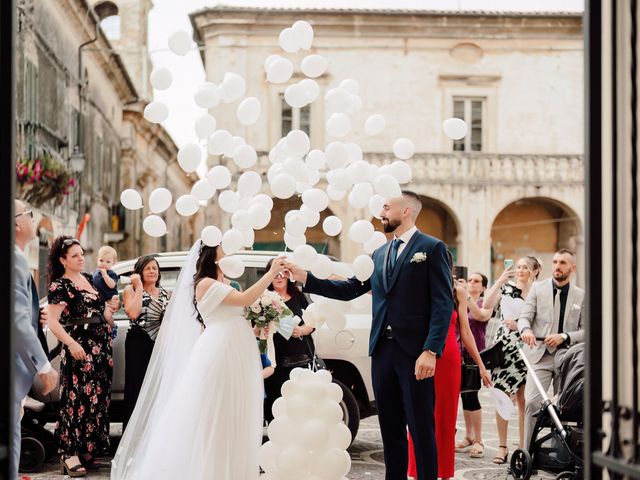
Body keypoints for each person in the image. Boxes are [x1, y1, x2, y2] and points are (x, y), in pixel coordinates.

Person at [287, 191, 454, 480]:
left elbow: (443, 302)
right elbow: (351, 288)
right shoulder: (379, 254)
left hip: (416, 352)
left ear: (407, 212)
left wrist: (431, 350)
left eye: (387, 207)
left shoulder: (432, 248)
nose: (381, 212)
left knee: (420, 427)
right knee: (390, 427)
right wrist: (306, 278)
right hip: (382, 351)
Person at [111, 241, 288, 479]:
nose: (228, 253)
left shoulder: (224, 284)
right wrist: (270, 273)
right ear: (212, 256)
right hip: (220, 351)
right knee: (216, 410)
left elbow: (238, 313)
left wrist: (260, 326)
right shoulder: (205, 284)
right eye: (223, 249)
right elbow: (245, 299)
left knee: (233, 412)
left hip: (235, 348)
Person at [407, 264, 491, 480]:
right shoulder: (418, 286)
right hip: (421, 355)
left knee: (445, 418)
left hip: (449, 358)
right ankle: (417, 472)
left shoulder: (458, 292)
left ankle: (443, 472)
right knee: (419, 415)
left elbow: (466, 331)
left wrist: (481, 366)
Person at [46, 236, 118, 477]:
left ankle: (87, 448)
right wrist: (71, 343)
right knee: (75, 401)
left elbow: (101, 311)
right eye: (74, 255)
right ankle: (69, 453)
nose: (80, 258)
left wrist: (110, 310)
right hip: (80, 347)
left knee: (96, 400)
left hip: (101, 348)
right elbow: (54, 322)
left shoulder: (88, 279)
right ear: (63, 260)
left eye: (81, 253)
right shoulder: (60, 285)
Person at [519, 248, 584, 450]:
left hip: (568, 359)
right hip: (539, 356)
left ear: (572, 268)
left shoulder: (581, 295)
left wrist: (565, 336)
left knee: (565, 409)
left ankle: (560, 453)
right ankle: (526, 452)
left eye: (563, 263)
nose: (557, 266)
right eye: (555, 261)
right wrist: (526, 330)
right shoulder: (538, 289)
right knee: (531, 402)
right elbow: (524, 317)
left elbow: (587, 330)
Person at [12, 200, 58, 480]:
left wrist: (34, 314)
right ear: (17, 224)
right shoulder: (15, 258)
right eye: (29, 214)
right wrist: (43, 366)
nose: (33, 218)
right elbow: (16, 321)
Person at [482, 256, 541, 463]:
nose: (521, 270)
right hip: (505, 348)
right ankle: (502, 446)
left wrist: (521, 326)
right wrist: (499, 280)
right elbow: (486, 305)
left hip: (528, 347)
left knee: (525, 399)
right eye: (518, 267)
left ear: (534, 271)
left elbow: (544, 322)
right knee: (502, 395)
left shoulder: (539, 293)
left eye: (525, 267)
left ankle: (524, 447)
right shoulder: (506, 288)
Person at [263, 258, 316, 422]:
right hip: (274, 359)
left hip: (299, 357)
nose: (278, 278)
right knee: (276, 402)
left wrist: (301, 330)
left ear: (288, 276)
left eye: (282, 274)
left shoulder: (298, 296)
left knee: (299, 402)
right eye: (274, 274)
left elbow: (313, 321)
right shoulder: (264, 298)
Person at [122, 255, 169, 428]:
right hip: (138, 343)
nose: (152, 271)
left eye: (155, 268)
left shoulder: (165, 293)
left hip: (160, 345)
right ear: (140, 271)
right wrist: (139, 286)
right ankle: (133, 434)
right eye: (147, 268)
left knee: (157, 389)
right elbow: (133, 313)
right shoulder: (131, 290)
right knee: (137, 387)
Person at [455, 272, 492, 459]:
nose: (472, 283)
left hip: (475, 354)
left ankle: (479, 440)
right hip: (459, 354)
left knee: (472, 396)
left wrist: (464, 294)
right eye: (470, 280)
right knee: (464, 397)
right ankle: (468, 436)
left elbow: (479, 316)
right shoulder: (461, 300)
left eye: (476, 281)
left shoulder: (483, 304)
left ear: (484, 287)